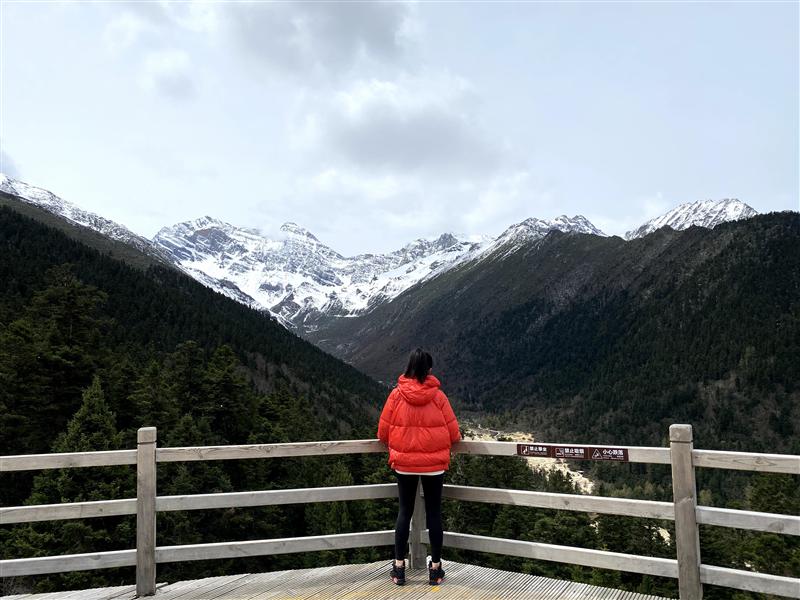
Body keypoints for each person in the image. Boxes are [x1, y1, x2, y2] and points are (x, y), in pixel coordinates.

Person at [377, 348, 461, 586]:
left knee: (404, 512)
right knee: (434, 514)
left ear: (409, 368)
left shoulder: (395, 395)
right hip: (434, 465)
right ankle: (435, 570)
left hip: (404, 464)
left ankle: (399, 569)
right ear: (429, 370)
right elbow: (454, 435)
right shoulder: (439, 397)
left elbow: (383, 433)